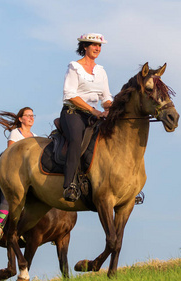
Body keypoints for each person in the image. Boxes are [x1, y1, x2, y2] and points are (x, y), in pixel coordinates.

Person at [61, 33, 113, 202]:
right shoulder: (74, 67)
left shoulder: (101, 71)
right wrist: (93, 110)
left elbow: (106, 98)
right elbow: (70, 95)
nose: (97, 48)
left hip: (93, 115)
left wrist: (111, 109)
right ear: (84, 47)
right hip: (73, 113)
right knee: (76, 140)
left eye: (100, 46)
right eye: (93, 45)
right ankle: (69, 184)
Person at [0, 107, 37, 240]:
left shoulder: (36, 137)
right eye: (28, 115)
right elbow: (11, 153)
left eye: (32, 115)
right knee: (10, 195)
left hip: (29, 175)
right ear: (21, 119)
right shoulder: (15, 133)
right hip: (15, 171)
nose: (31, 118)